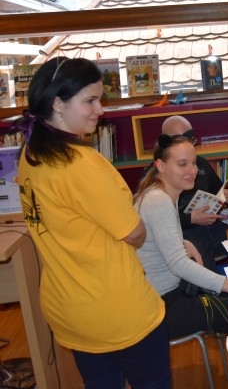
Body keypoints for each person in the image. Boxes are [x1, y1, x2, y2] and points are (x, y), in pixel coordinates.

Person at [15, 56, 170, 389]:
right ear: (58, 103)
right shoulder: (82, 164)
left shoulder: (30, 155)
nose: (100, 109)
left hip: (69, 310)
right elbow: (135, 233)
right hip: (116, 310)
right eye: (90, 100)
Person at [134, 135, 228, 342]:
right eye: (182, 164)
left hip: (164, 294)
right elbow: (179, 264)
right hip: (161, 304)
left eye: (193, 163)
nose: (192, 170)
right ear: (160, 166)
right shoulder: (159, 201)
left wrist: (184, 242)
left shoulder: (162, 193)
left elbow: (156, 238)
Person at [161, 115, 228, 273]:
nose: (192, 170)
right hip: (184, 232)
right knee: (203, 262)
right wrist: (190, 219)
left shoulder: (200, 163)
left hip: (212, 227)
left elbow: (219, 192)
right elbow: (158, 225)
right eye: (183, 164)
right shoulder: (158, 176)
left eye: (191, 138)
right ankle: (216, 287)